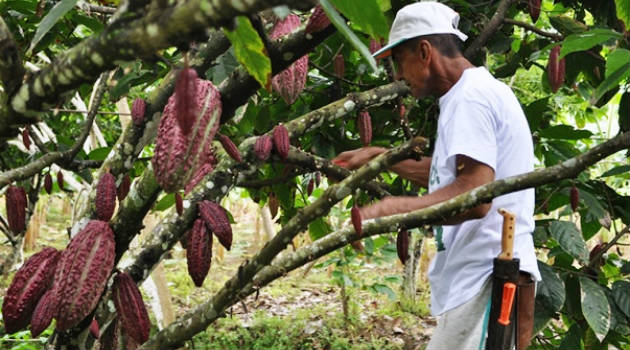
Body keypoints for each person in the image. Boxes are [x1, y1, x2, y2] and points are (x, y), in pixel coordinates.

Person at [332, 2, 541, 349]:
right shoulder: (471, 92)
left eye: (400, 61)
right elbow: (456, 172)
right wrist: (381, 158)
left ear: (425, 52)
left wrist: (388, 209)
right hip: (487, 272)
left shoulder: (469, 99)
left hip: (488, 272)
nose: (399, 75)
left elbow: (475, 196)